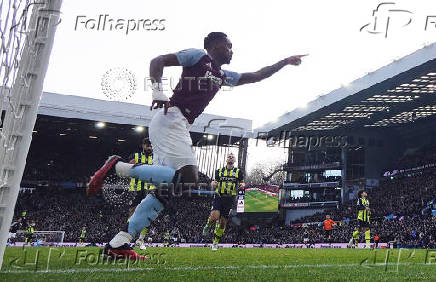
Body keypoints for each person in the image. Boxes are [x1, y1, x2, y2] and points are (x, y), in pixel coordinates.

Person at [87, 32, 306, 259]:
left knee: (167, 191)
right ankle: (117, 166)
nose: (232, 51)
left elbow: (257, 75)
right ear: (215, 45)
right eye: (228, 46)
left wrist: (285, 62)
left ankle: (119, 243)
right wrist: (157, 91)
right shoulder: (198, 57)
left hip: (178, 124)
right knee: (189, 179)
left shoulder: (222, 75)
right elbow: (158, 60)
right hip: (170, 118)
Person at [202, 153, 244, 251]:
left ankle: (215, 243)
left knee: (222, 223)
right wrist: (213, 184)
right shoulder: (219, 171)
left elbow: (242, 182)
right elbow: (214, 182)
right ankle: (207, 226)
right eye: (229, 156)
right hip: (219, 196)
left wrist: (242, 185)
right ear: (226, 160)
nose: (230, 157)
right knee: (214, 217)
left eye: (232, 156)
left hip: (230, 199)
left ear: (234, 161)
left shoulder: (238, 172)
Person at [128, 137, 154, 250]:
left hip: (150, 189)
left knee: (148, 215)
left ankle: (140, 240)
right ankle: (127, 239)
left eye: (151, 146)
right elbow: (129, 169)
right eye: (147, 145)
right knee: (132, 214)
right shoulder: (135, 156)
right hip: (136, 189)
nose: (149, 148)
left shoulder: (156, 158)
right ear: (143, 145)